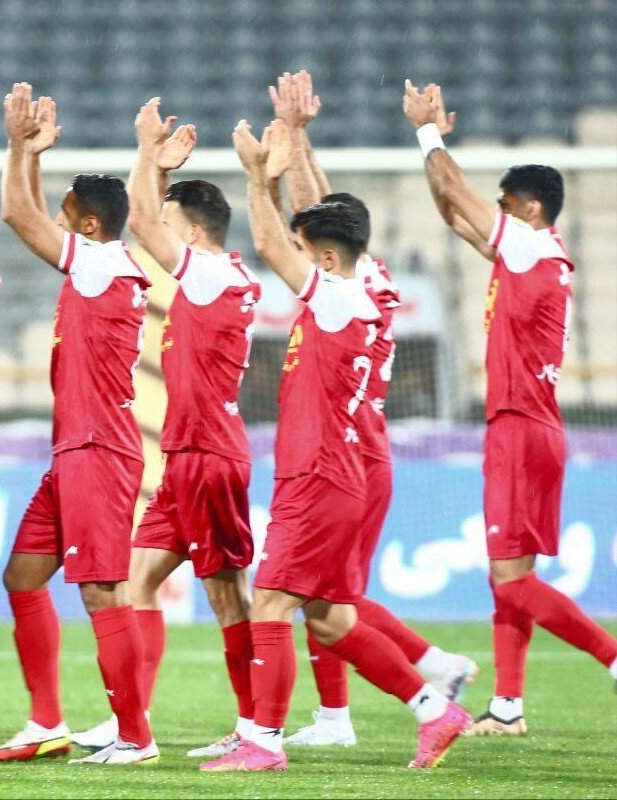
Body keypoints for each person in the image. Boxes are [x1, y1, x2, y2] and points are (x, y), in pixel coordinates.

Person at [201, 119, 469, 773]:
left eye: (305, 253)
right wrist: (293, 152)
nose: (291, 262)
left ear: (323, 260)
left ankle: (263, 743)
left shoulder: (339, 300)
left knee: (271, 602)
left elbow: (270, 240)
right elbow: (306, 224)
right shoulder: (359, 291)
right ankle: (434, 708)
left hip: (321, 473)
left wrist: (256, 175)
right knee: (327, 617)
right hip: (337, 469)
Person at [405, 80, 617, 736]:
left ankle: (611, 656)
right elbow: (453, 210)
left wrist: (426, 132)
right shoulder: (532, 256)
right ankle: (507, 706)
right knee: (513, 575)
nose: (492, 211)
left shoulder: (529, 244)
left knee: (509, 578)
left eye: (502, 203)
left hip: (519, 429)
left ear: (529, 208)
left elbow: (457, 189)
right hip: (537, 426)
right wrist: (435, 160)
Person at [272, 71, 476, 748]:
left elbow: (307, 218)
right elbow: (317, 212)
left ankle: (410, 690)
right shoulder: (373, 275)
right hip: (363, 449)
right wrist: (298, 137)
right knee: (326, 598)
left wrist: (287, 150)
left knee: (322, 600)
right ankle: (416, 678)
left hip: (345, 456)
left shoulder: (340, 291)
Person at [71, 99, 260, 760]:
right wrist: (156, 168)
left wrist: (148, 153)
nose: (161, 238)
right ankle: (134, 722)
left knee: (226, 596)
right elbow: (150, 219)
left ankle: (255, 727)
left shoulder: (208, 274)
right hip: (184, 455)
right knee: (139, 579)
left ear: (195, 232)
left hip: (208, 454)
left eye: (174, 226)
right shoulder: (214, 279)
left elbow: (141, 219)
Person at [0, 83, 157, 767]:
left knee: (101, 590)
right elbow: (32, 211)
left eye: (65, 215)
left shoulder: (99, 263)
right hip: (75, 449)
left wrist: (15, 147)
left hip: (100, 449)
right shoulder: (103, 263)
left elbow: (14, 214)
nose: (53, 223)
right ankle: (45, 722)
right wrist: (31, 154)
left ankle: (134, 737)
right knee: (23, 576)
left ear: (86, 226)